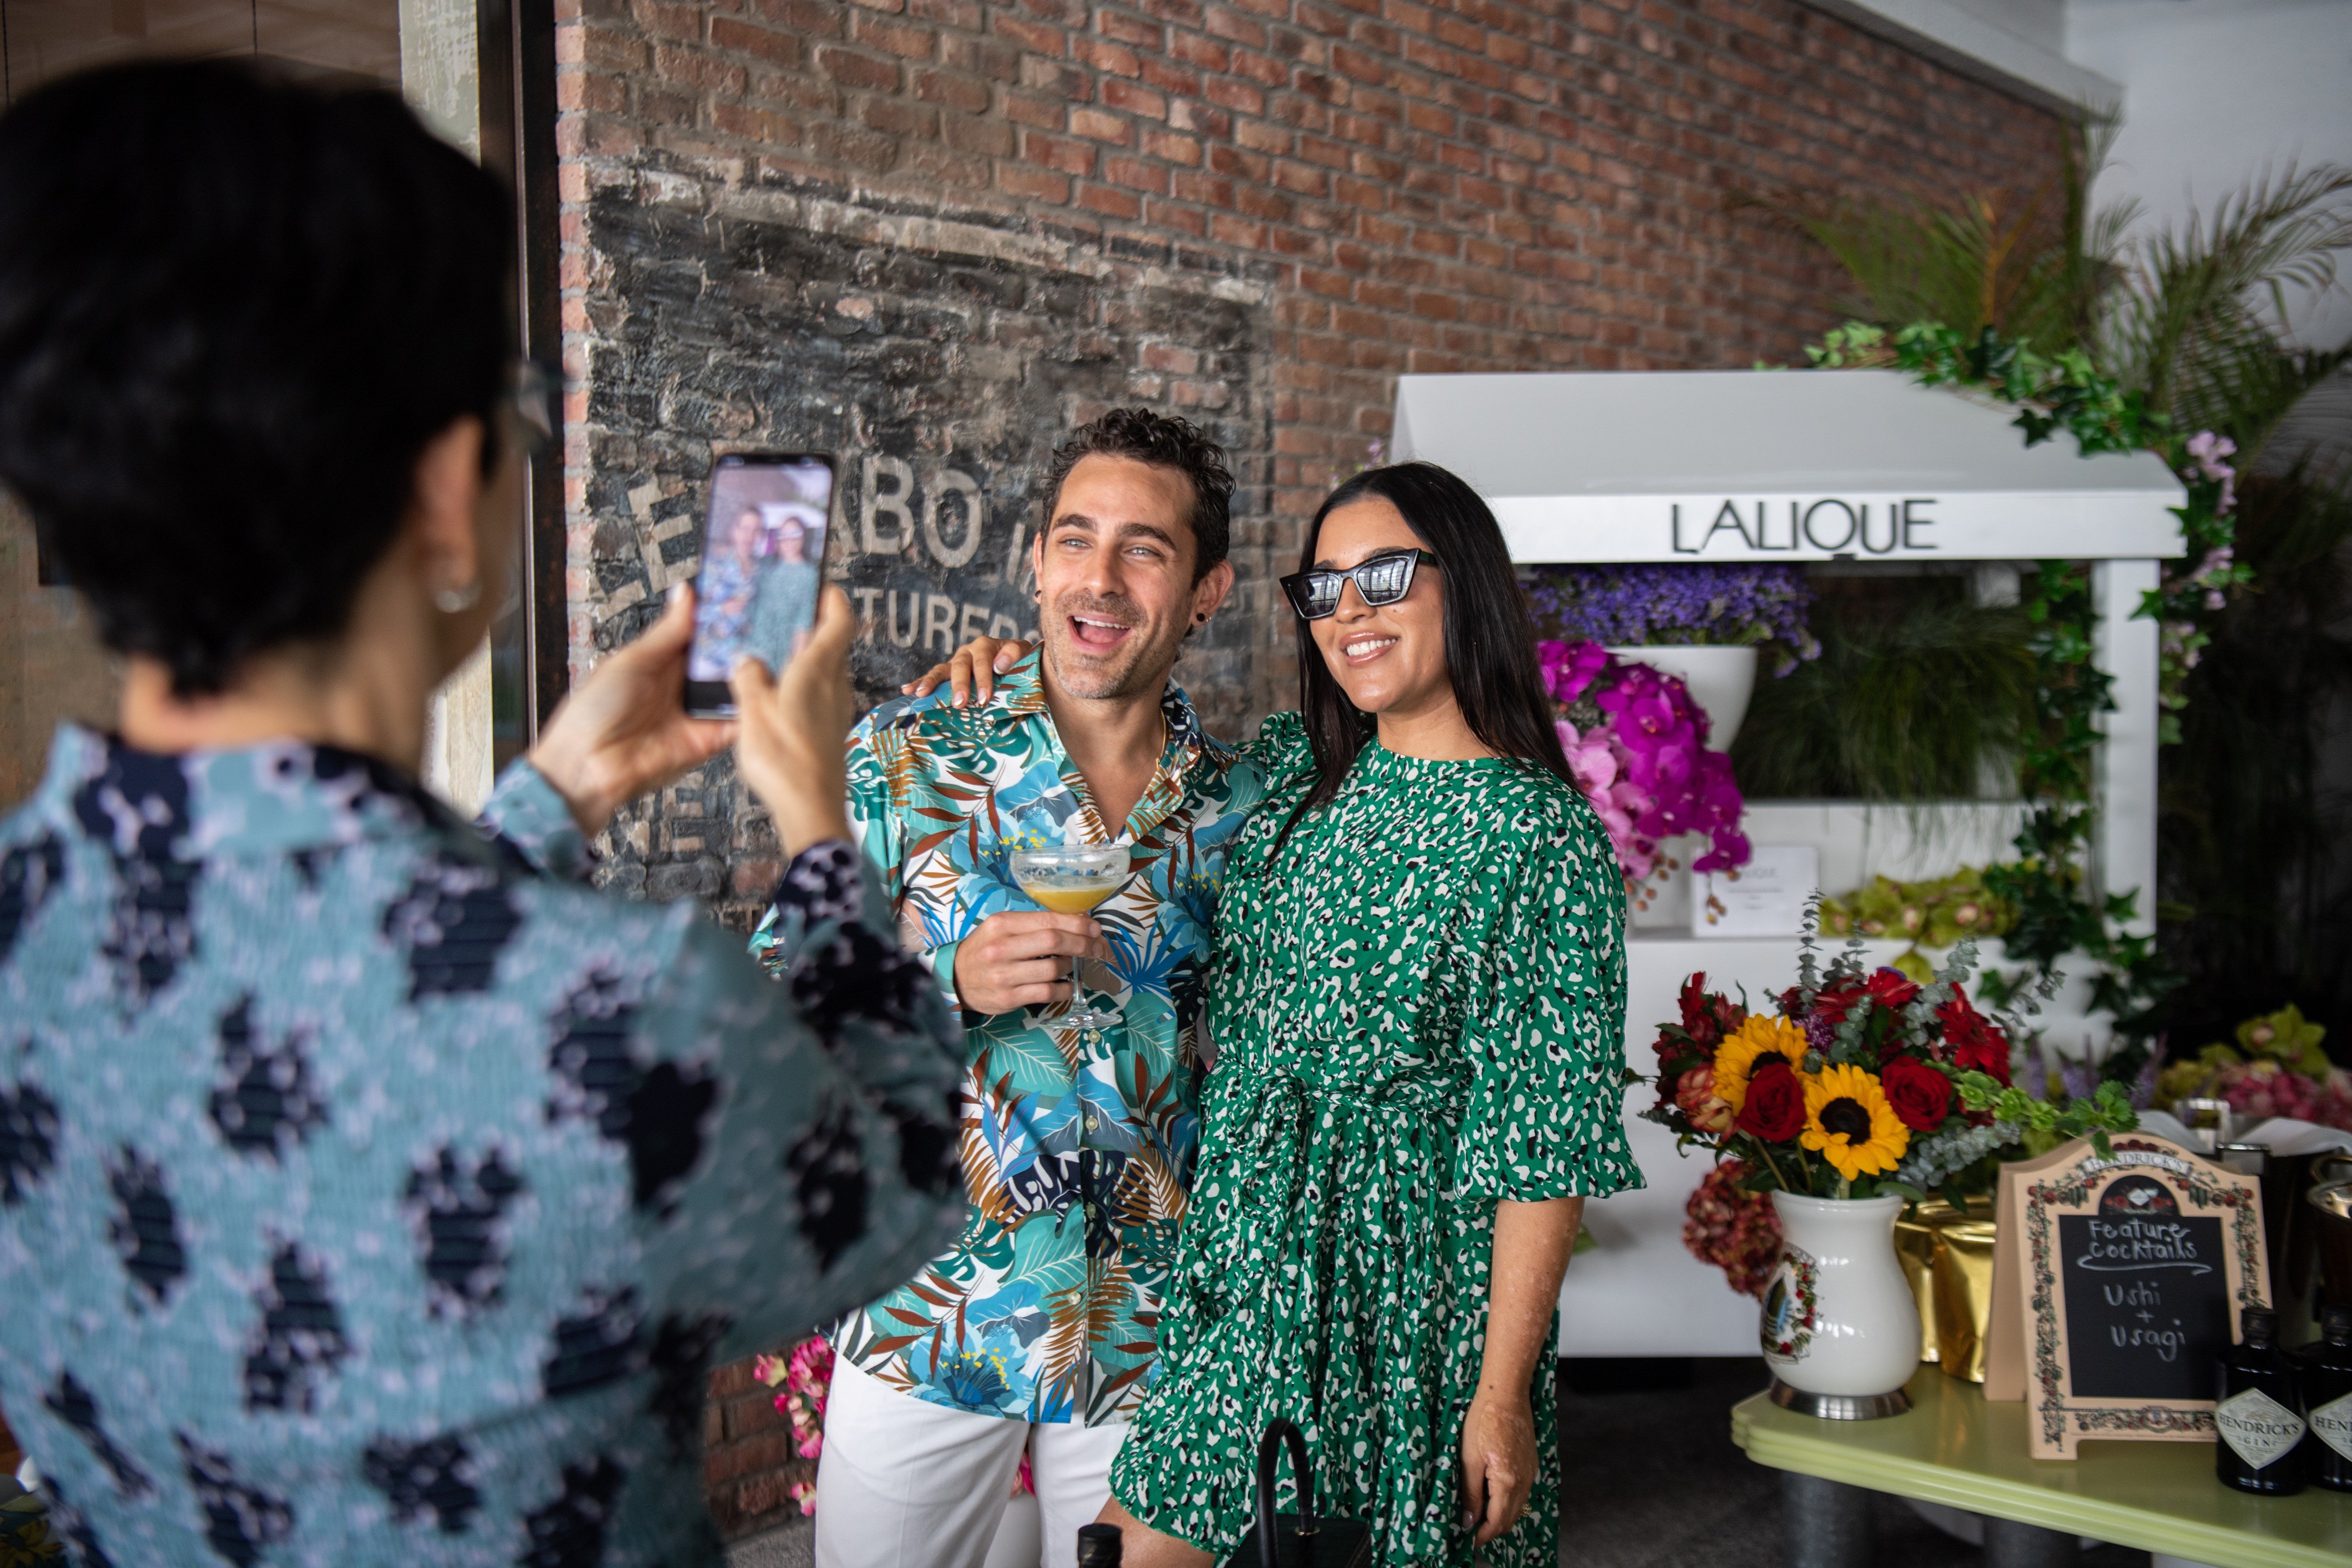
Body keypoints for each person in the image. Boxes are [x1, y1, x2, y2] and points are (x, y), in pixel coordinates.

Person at [0, 60, 964, 1568]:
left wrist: (554, 798)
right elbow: (893, 1193)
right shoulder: (608, 1006)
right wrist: (820, 834)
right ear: (450, 485)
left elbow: (324, 997)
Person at [913, 462, 1642, 1565]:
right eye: (1327, 586)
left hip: (1403, 1290)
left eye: (1386, 576)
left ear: (1469, 583)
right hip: (1240, 1262)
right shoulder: (1297, 775)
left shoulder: (1539, 837)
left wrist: (1500, 1394)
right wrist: (1032, 666)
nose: (1350, 611)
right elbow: (1124, 721)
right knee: (1133, 1549)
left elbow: (1538, 1144)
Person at [752, 409, 1264, 1567]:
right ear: (1034, 563)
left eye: (1145, 548)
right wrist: (941, 988)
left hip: (1150, 1327)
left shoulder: (1240, 814)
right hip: (932, 1310)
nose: (1100, 577)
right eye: (1074, 539)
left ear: (1205, 589)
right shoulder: (907, 752)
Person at [689, 505, 765, 681]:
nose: (750, 536)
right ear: (735, 531)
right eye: (745, 528)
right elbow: (690, 612)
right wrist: (721, 609)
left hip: (741, 662)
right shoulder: (713, 566)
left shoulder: (761, 572)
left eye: (756, 530)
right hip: (708, 659)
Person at [746, 511, 821, 671]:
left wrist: (796, 666)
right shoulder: (766, 563)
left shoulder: (810, 574)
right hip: (753, 643)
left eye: (795, 535)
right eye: (783, 535)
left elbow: (804, 622)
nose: (789, 541)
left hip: (781, 651)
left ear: (803, 538)